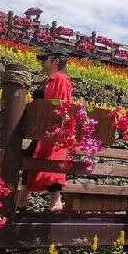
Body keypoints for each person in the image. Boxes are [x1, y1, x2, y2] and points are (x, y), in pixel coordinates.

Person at [22, 46, 73, 213]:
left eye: (46, 59)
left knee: (51, 161)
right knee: (34, 158)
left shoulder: (60, 79)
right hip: (42, 128)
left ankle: (54, 200)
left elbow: (62, 104)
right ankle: (25, 198)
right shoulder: (51, 79)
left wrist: (56, 127)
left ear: (55, 61)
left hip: (50, 129)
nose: (43, 62)